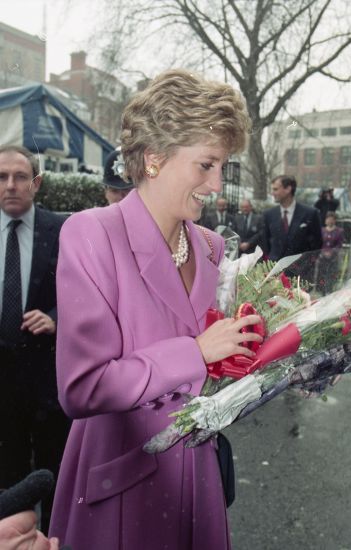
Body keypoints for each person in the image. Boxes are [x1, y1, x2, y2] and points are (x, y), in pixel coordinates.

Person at [49, 68, 262, 550]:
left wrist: (271, 358)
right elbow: (81, 388)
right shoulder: (92, 234)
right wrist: (195, 353)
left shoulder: (211, 247)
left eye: (223, 167)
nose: (216, 185)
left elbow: (218, 367)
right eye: (206, 165)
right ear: (154, 159)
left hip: (199, 476)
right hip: (125, 481)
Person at [0, 145, 70, 534]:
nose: (11, 185)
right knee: (7, 476)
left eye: (20, 176)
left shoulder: (60, 230)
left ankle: (54, 538)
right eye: (1, 177)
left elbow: (89, 294)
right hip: (1, 381)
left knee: (52, 471)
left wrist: (58, 318)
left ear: (36, 183)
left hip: (47, 377)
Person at [263, 175, 323, 261]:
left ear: (288, 189)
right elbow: (266, 243)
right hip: (275, 269)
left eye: (275, 189)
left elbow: (317, 243)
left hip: (301, 269)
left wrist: (308, 264)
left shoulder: (310, 213)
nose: (272, 193)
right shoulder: (269, 215)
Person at [316, 211, 344, 294]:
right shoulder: (322, 230)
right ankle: (322, 293)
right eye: (328, 219)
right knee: (321, 277)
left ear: (335, 220)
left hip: (333, 259)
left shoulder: (339, 231)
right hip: (322, 258)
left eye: (332, 219)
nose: (329, 221)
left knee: (331, 278)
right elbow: (318, 243)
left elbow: (339, 245)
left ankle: (330, 293)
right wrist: (322, 252)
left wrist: (331, 252)